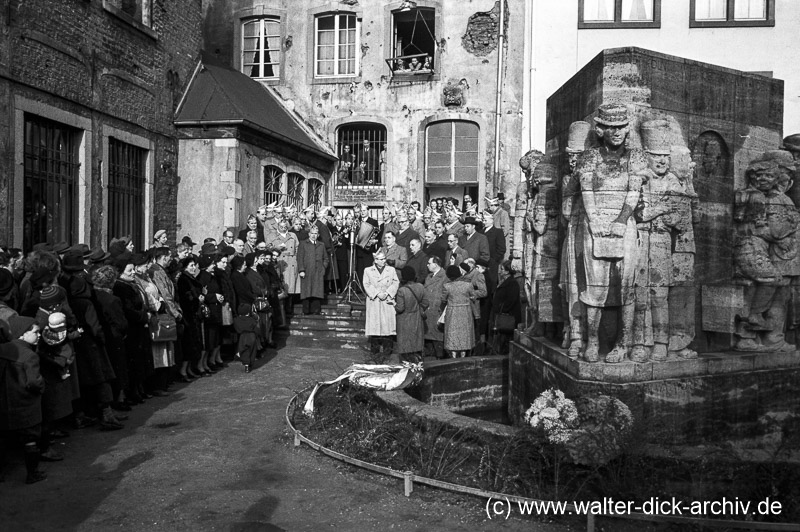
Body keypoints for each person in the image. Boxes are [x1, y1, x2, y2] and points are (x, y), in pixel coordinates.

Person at [573, 103, 645, 363]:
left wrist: (621, 220)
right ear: (601, 129)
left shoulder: (635, 157)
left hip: (623, 225)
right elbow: (586, 191)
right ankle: (592, 341)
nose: (617, 132)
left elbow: (634, 191)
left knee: (626, 286)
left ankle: (623, 343)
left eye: (621, 127)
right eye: (611, 128)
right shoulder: (590, 156)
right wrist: (594, 221)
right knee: (593, 287)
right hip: (595, 224)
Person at [0, 316, 48, 483]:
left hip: (3, 404)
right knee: (30, 440)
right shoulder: (29, 355)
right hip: (25, 404)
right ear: (22, 334)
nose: (39, 335)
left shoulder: (2, 349)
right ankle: (32, 474)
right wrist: (42, 387)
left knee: (3, 439)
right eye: (35, 332)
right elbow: (34, 382)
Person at [389, 266, 428, 363]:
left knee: (405, 347)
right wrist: (419, 308)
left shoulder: (402, 290)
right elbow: (426, 303)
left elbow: (400, 308)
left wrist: (393, 303)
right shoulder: (420, 287)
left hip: (404, 321)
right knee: (417, 345)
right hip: (417, 319)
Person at [363, 251, 399, 356]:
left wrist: (387, 293)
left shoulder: (391, 270)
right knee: (374, 327)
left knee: (387, 326)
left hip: (387, 300)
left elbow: (395, 282)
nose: (383, 261)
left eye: (384, 258)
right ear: (375, 260)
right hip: (374, 301)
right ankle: (375, 353)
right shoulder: (368, 270)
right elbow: (366, 284)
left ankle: (388, 352)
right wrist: (377, 293)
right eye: (380, 259)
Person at [441, 265, 475, 358]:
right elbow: (473, 297)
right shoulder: (468, 285)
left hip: (452, 312)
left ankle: (453, 356)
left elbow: (443, 299)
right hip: (465, 311)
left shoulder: (447, 286)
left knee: (453, 334)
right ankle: (463, 355)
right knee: (464, 335)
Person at [491, 260, 521, 354]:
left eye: (502, 269)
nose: (500, 271)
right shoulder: (504, 282)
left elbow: (511, 300)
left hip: (508, 317)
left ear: (507, 271)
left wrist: (502, 309)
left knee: (506, 340)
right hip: (501, 315)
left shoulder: (512, 283)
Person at [297, 226, 328, 315]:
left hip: (318, 272)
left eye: (315, 234)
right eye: (312, 233)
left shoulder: (321, 245)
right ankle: (306, 311)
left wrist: (323, 268)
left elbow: (326, 258)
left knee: (316, 291)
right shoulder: (303, 244)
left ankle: (316, 310)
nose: (314, 235)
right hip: (307, 271)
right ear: (309, 234)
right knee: (307, 291)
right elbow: (300, 258)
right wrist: (301, 270)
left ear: (318, 235)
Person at [423, 256, 446, 358]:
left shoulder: (444, 277)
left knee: (437, 338)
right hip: (428, 310)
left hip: (436, 310)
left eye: (429, 263)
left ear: (435, 265)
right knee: (428, 337)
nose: (427, 265)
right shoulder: (429, 277)